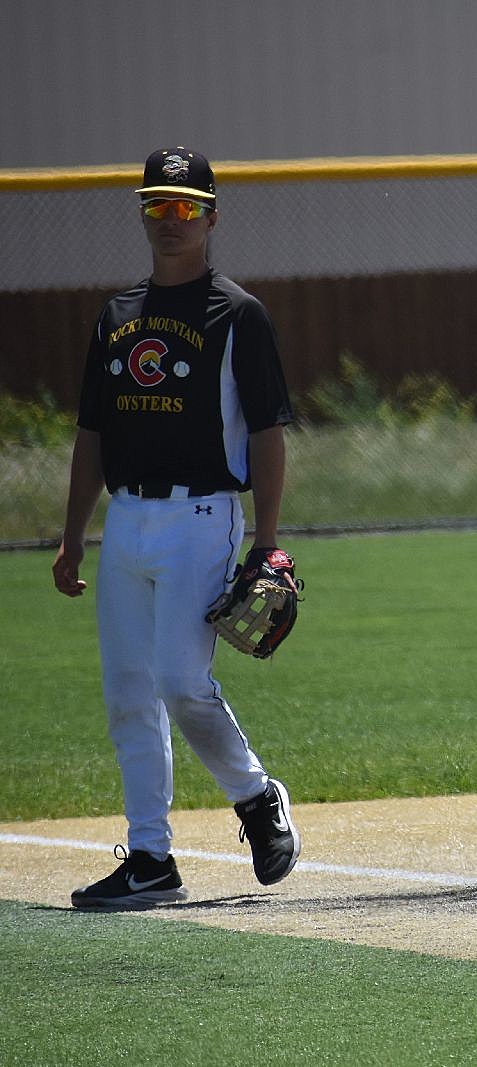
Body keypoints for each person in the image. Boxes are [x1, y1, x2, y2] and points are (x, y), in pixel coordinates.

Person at [51, 146, 302, 909]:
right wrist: (72, 536)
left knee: (180, 680)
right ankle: (151, 857)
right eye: (158, 206)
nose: (171, 220)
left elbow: (266, 433)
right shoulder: (118, 314)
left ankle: (257, 796)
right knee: (128, 692)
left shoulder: (238, 313)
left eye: (186, 207)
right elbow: (91, 432)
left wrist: (266, 540)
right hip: (126, 520)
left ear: (212, 217)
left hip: (201, 514)